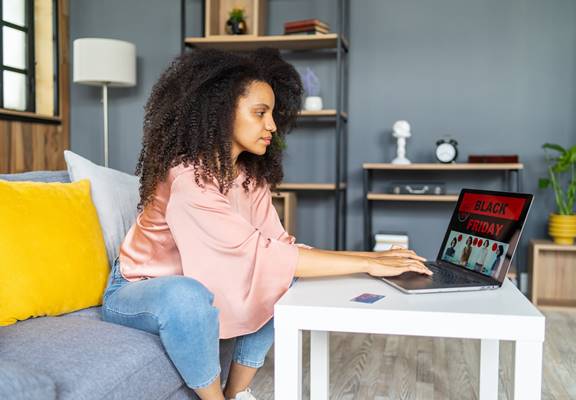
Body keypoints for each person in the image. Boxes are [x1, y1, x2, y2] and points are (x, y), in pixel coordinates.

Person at [100, 48, 432, 400]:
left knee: (279, 277)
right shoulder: (188, 181)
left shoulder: (249, 179)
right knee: (188, 296)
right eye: (260, 113)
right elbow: (262, 253)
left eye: (272, 114)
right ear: (221, 112)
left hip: (193, 281)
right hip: (138, 288)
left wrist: (370, 262)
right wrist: (370, 261)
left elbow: (280, 250)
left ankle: (237, 394)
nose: (272, 126)